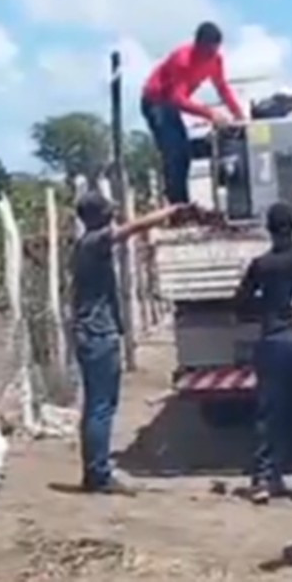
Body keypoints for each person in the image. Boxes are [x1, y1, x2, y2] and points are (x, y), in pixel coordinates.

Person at [72, 192, 194, 494]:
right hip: (98, 334)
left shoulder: (84, 245)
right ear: (97, 216)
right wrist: (170, 211)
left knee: (97, 405)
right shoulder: (93, 242)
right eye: (108, 210)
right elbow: (132, 228)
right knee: (101, 407)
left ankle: (94, 471)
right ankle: (98, 475)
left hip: (91, 333)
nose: (113, 214)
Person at [234, 190, 292, 505]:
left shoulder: (261, 265)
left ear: (269, 230)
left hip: (272, 342)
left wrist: (262, 309)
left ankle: (262, 480)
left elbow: (241, 303)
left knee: (269, 415)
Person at [141, 21, 246, 204]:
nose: (210, 56)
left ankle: (181, 201)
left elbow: (222, 88)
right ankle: (177, 204)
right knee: (174, 151)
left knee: (185, 152)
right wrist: (210, 114)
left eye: (214, 51)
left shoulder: (216, 60)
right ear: (198, 45)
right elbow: (177, 98)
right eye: (207, 52)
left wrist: (238, 114)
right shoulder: (183, 60)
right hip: (155, 101)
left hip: (170, 105)